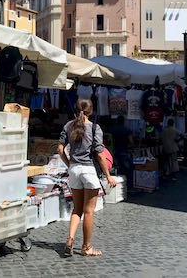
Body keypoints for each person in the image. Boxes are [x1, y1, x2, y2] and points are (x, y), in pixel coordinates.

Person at [58, 99, 117, 257]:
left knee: (77, 209)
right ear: (91, 111)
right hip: (89, 171)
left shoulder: (68, 126)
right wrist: (108, 176)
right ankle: (86, 247)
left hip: (74, 170)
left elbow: (59, 148)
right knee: (89, 211)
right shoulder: (95, 128)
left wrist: (69, 163)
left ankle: (70, 239)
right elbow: (99, 154)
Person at [109, 115, 133, 185]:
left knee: (117, 168)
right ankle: (128, 183)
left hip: (115, 150)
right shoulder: (126, 129)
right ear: (124, 121)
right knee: (127, 168)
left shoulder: (112, 129)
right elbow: (131, 141)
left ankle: (119, 183)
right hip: (124, 150)